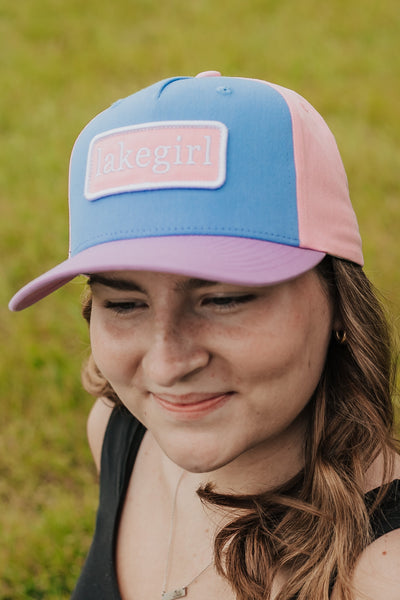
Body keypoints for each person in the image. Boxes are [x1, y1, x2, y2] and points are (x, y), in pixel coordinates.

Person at [9, 71, 400, 600]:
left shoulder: (382, 574)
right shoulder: (119, 435)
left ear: (338, 301)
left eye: (224, 299)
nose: (168, 365)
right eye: (124, 304)